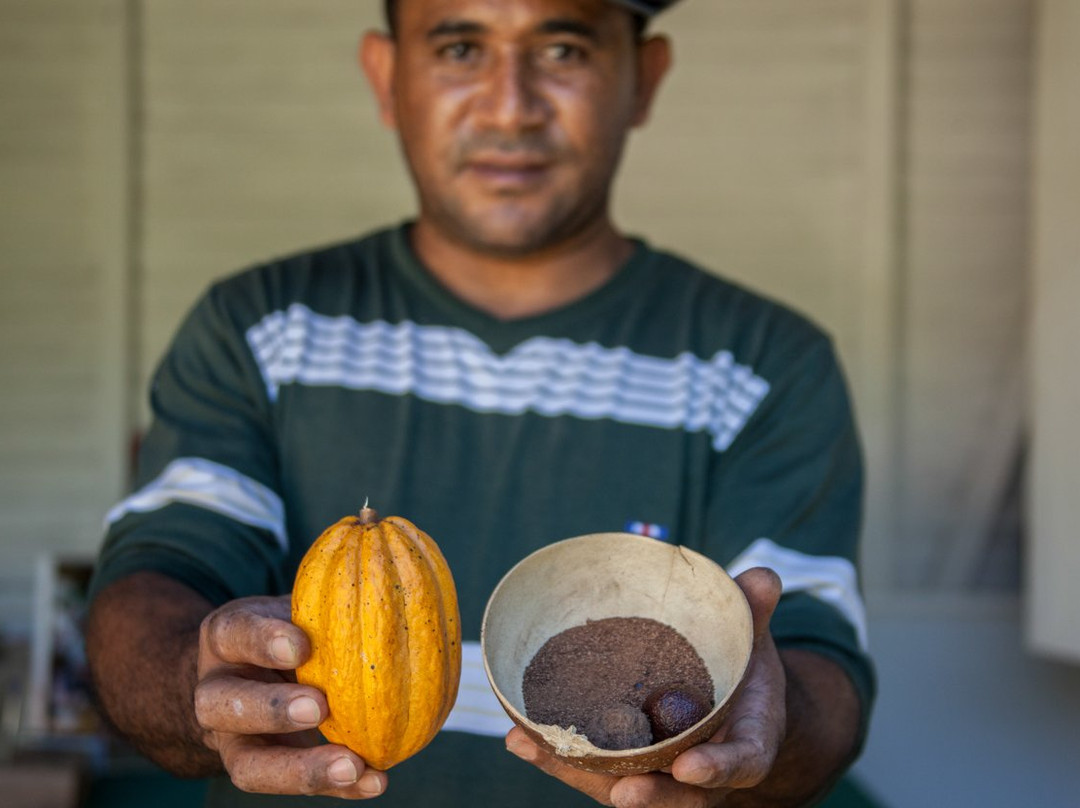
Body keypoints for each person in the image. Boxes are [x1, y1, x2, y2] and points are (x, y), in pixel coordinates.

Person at [85, 0, 875, 805]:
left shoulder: (764, 365)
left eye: (562, 48)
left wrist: (768, 727)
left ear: (646, 78)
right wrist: (197, 674)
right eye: (461, 46)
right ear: (386, 76)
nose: (510, 106)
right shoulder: (260, 330)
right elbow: (156, 579)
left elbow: (819, 673)